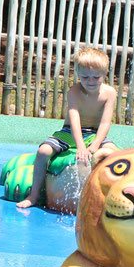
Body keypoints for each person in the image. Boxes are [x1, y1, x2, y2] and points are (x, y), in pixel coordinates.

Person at [16, 46, 117, 209]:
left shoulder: (109, 93)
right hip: (69, 132)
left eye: (96, 77)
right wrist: (81, 147)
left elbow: (105, 123)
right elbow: (74, 118)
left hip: (94, 133)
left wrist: (95, 145)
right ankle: (33, 195)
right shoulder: (74, 91)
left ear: (105, 74)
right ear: (78, 73)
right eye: (85, 77)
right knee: (43, 152)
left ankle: (110, 198)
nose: (90, 81)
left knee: (114, 155)